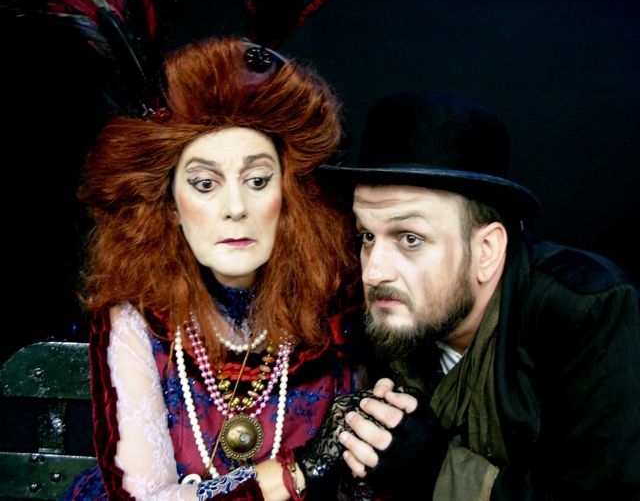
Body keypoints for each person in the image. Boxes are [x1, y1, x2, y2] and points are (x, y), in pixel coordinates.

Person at [62, 35, 384, 500]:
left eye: (258, 180)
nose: (236, 207)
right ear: (169, 204)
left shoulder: (338, 308)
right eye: (204, 183)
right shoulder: (138, 318)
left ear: (289, 193)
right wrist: (296, 471)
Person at [322, 90, 640, 500]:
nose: (374, 271)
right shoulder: (386, 316)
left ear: (486, 251)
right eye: (366, 236)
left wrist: (436, 471)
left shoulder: (586, 313)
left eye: (410, 238)